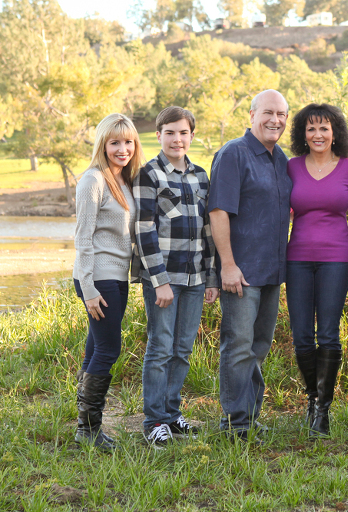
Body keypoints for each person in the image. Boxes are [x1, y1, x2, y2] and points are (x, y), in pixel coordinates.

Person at [208, 89, 291, 443]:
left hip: (272, 270)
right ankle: (235, 423)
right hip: (241, 271)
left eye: (282, 114)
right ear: (252, 115)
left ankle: (250, 416)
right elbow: (218, 212)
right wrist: (227, 265)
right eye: (268, 112)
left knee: (259, 345)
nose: (276, 120)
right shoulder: (233, 153)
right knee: (238, 345)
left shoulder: (281, 159)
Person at [133, 106, 219, 449]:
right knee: (160, 347)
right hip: (163, 279)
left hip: (195, 278)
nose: (176, 139)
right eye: (169, 133)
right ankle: (153, 421)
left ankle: (171, 414)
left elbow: (208, 229)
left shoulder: (201, 176)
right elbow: (144, 230)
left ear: (192, 136)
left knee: (182, 349)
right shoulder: (149, 174)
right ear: (158, 135)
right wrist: (160, 280)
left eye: (183, 133)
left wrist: (211, 277)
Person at [285, 103, 348, 438]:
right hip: (297, 259)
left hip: (336, 259)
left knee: (328, 333)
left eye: (324, 128)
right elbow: (277, 211)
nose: (317, 134)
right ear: (302, 134)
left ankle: (323, 411)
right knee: (302, 334)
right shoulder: (290, 167)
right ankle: (312, 399)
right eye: (311, 128)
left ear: (335, 133)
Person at [72, 113, 144, 451]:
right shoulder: (93, 180)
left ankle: (85, 426)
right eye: (115, 142)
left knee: (95, 347)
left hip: (116, 277)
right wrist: (88, 288)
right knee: (108, 349)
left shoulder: (123, 180)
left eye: (128, 142)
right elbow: (83, 238)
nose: (123, 149)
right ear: (102, 144)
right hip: (98, 279)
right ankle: (88, 430)